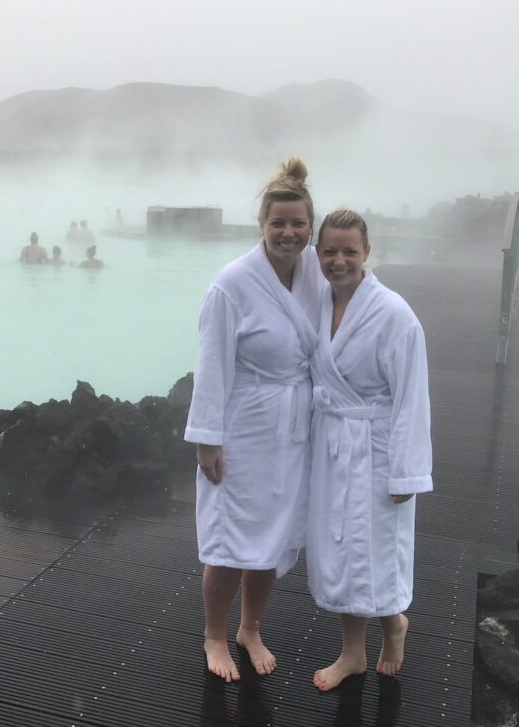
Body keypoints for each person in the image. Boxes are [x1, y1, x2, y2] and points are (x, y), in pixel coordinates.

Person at [184, 157, 323, 682]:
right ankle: (214, 635)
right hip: (244, 427)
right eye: (278, 223)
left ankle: (250, 627)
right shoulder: (231, 285)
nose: (288, 233)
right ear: (261, 226)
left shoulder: (314, 273)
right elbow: (212, 365)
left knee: (273, 536)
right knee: (230, 540)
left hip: (293, 427)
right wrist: (206, 440)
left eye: (298, 223)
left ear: (309, 226)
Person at [306, 209, 432, 692]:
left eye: (349, 252)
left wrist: (406, 474)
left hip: (377, 448)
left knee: (375, 548)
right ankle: (353, 653)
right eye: (330, 251)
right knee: (341, 550)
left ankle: (393, 624)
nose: (339, 261)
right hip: (333, 442)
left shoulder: (395, 314)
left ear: (367, 253)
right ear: (318, 254)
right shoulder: (317, 302)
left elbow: (411, 398)